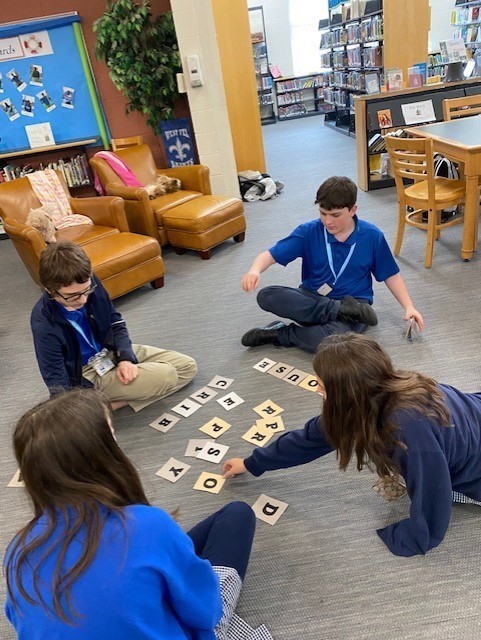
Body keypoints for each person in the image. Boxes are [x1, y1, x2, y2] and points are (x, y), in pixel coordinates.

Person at [4, 388, 264, 639]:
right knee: (238, 515)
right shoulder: (148, 526)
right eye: (112, 434)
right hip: (166, 580)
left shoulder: (17, 551)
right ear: (100, 456)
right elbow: (207, 612)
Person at [223, 333, 481, 557]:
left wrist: (416, 534)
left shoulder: (407, 430)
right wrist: (250, 463)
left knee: (446, 485)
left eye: (321, 385)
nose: (316, 389)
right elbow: (308, 439)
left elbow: (432, 488)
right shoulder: (371, 393)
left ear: (346, 391)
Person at [241, 176, 424, 353]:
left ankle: (281, 334)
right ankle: (336, 311)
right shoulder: (309, 231)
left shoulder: (372, 236)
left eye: (335, 215)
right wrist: (255, 270)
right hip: (313, 297)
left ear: (353, 210)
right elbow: (270, 255)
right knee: (266, 295)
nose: (328, 221)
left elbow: (390, 274)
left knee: (332, 344)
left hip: (355, 305)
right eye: (323, 213)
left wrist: (409, 306)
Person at [31, 240, 197, 411]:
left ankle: (102, 406)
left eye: (86, 290)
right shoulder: (43, 322)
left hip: (111, 350)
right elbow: (53, 372)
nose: (83, 299)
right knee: (168, 375)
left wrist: (125, 357)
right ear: (48, 289)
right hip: (88, 373)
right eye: (72, 296)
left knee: (187, 367)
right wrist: (68, 408)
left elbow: (115, 321)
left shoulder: (89, 282)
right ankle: (96, 406)